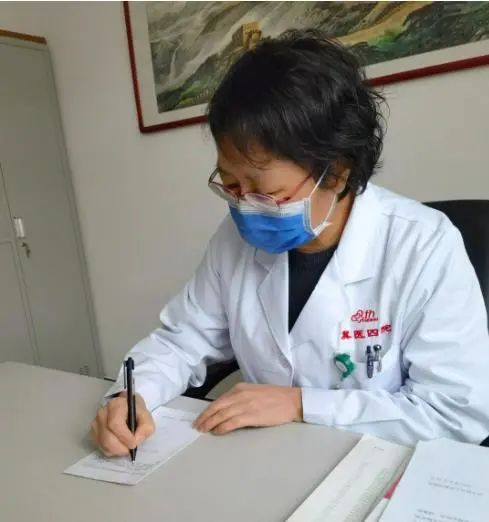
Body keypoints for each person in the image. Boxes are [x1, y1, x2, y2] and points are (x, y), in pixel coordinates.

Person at [91, 29, 489, 456]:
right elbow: (182, 340)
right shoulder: (233, 240)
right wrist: (133, 395)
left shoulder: (423, 245)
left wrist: (302, 404)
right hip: (270, 458)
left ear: (336, 173)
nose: (245, 205)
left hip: (377, 463)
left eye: (267, 192)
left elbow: (455, 411)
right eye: (230, 184)